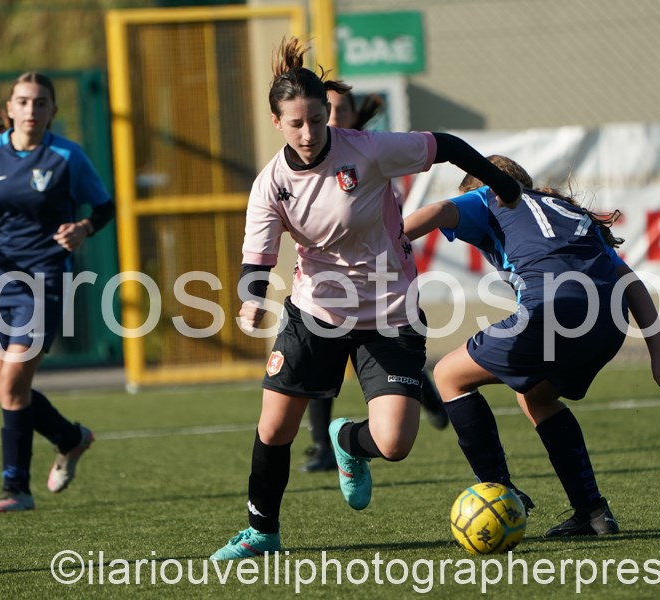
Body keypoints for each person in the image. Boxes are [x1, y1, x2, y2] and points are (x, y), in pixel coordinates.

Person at [211, 37, 524, 560]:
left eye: (317, 120)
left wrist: (502, 186)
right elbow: (257, 259)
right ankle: (261, 532)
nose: (309, 133)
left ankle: (346, 441)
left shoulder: (368, 150)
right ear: (276, 123)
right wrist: (250, 300)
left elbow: (444, 145)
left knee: (395, 444)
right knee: (275, 427)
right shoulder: (270, 185)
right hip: (316, 312)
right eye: (296, 123)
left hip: (390, 313)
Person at [403, 155, 660, 536]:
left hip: (555, 309)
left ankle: (498, 489)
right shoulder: (562, 208)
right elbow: (628, 278)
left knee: (448, 376)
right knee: (536, 396)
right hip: (610, 321)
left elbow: (438, 211)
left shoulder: (490, 195)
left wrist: (384, 244)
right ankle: (593, 513)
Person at [0, 72, 116, 514]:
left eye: (40, 103)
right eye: (23, 102)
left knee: (12, 384)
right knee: (8, 393)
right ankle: (70, 438)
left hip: (45, 280)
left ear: (52, 112)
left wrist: (83, 228)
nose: (31, 110)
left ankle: (16, 489)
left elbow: (104, 207)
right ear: (9, 108)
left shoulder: (67, 156)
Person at [300, 85, 448, 474]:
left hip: (378, 282)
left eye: (339, 110)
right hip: (328, 283)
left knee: (388, 356)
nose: (331, 118)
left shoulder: (370, 157)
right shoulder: (304, 159)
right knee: (322, 363)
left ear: (353, 116)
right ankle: (323, 446)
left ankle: (422, 393)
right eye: (326, 110)